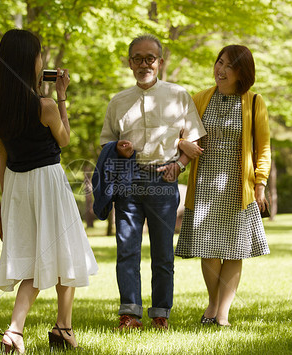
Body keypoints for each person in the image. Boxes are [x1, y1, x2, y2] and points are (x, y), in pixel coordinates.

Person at [0, 29, 98, 353]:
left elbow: (3, 156)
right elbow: (64, 140)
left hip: (17, 185)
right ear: (29, 61)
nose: (41, 60)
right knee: (64, 252)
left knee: (44, 257)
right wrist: (62, 96)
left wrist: (5, 205)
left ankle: (47, 329)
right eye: (38, 55)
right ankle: (49, 328)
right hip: (48, 183)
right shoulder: (45, 106)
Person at [99, 34, 206, 330]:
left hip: (163, 180)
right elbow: (106, 144)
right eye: (138, 58)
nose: (144, 64)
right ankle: (130, 314)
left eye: (150, 58)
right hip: (129, 180)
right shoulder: (118, 102)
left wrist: (180, 166)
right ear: (129, 62)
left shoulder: (178, 95)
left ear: (160, 62)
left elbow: (195, 137)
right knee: (127, 249)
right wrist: (118, 148)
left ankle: (161, 313)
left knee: (162, 252)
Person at [175, 44, 271, 327]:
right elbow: (175, 134)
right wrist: (182, 143)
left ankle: (223, 314)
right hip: (205, 182)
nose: (221, 69)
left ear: (242, 72)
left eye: (229, 65)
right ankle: (213, 303)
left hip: (238, 186)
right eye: (219, 62)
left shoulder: (254, 102)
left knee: (234, 249)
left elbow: (263, 147)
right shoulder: (199, 99)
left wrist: (261, 184)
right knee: (209, 248)